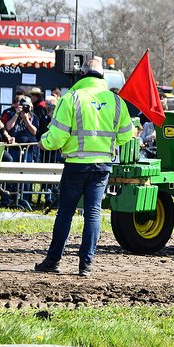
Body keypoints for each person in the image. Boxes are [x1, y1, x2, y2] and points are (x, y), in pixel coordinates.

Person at [34, 58, 133, 277]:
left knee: (65, 213)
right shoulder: (116, 101)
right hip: (102, 167)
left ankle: (53, 260)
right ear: (103, 76)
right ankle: (85, 265)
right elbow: (127, 134)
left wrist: (45, 141)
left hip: (76, 166)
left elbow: (57, 138)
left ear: (82, 74)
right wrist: (106, 145)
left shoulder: (71, 99)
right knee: (93, 214)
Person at [4, 95, 39, 203]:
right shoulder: (11, 114)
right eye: (23, 106)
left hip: (28, 149)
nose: (25, 108)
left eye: (27, 106)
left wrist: (26, 120)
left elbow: (34, 132)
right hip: (14, 149)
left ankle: (25, 198)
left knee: (26, 174)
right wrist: (16, 114)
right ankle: (9, 197)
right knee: (11, 173)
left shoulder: (34, 117)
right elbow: (7, 127)